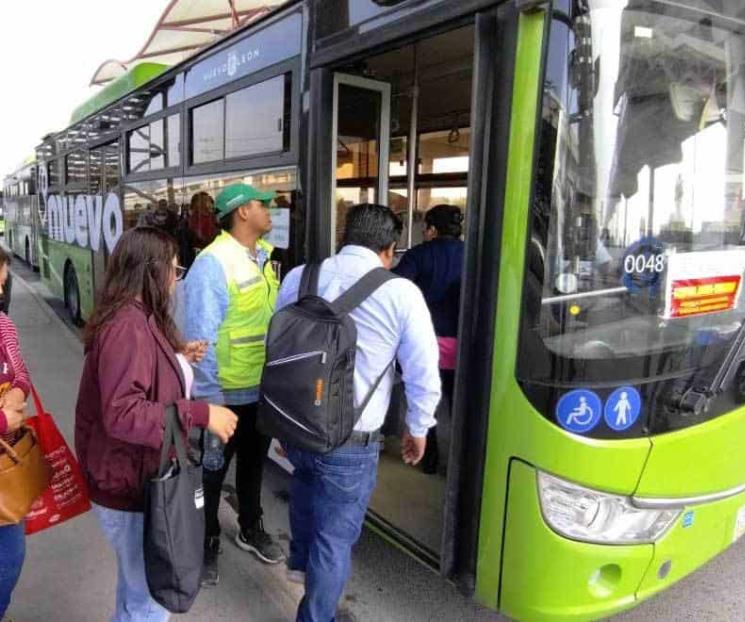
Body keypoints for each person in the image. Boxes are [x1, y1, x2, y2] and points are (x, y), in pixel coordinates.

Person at [276, 203, 441, 622]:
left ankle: (299, 562)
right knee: (334, 539)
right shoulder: (400, 292)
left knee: (304, 489)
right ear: (390, 249)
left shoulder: (300, 276)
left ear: (344, 237)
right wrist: (418, 427)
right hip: (351, 443)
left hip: (297, 422)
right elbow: (423, 370)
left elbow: (278, 346)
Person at [74, 227, 237, 622]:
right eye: (174, 270)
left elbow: (141, 375)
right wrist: (201, 414)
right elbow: (123, 413)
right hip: (129, 484)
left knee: (136, 592)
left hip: (129, 477)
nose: (175, 280)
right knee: (149, 603)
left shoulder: (137, 316)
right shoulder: (128, 326)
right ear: (152, 270)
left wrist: (177, 355)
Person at [183, 183, 284, 587]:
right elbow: (199, 339)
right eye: (263, 205)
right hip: (223, 392)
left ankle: (250, 525)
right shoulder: (214, 263)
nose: (270, 212)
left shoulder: (263, 258)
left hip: (260, 388)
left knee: (255, 464)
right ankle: (206, 539)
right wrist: (210, 401)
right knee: (211, 471)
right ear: (242, 212)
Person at [394, 204, 464, 474]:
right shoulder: (474, 252)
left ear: (432, 229)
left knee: (426, 402)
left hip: (427, 345)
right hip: (463, 347)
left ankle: (429, 458)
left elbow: (395, 286)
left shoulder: (418, 255)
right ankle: (461, 466)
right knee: (459, 408)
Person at [0, 248, 32, 620]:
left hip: (6, 468)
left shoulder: (3, 325)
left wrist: (18, 390)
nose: (5, 285)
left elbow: (21, 370)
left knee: (10, 557)